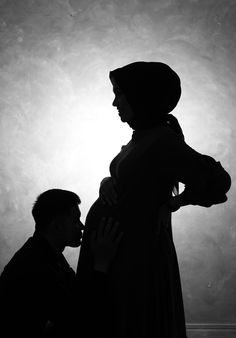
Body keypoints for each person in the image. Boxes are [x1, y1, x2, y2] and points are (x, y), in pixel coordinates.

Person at [77, 61, 231, 338]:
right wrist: (107, 181)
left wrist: (178, 201)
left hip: (138, 255)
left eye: (119, 93)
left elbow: (218, 181)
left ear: (140, 95)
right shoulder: (141, 138)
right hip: (119, 253)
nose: (114, 102)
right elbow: (135, 179)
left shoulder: (162, 140)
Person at [0, 189, 123, 338]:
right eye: (75, 220)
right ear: (57, 226)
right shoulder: (35, 267)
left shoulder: (46, 254)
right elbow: (79, 321)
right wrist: (102, 263)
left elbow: (76, 294)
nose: (82, 226)